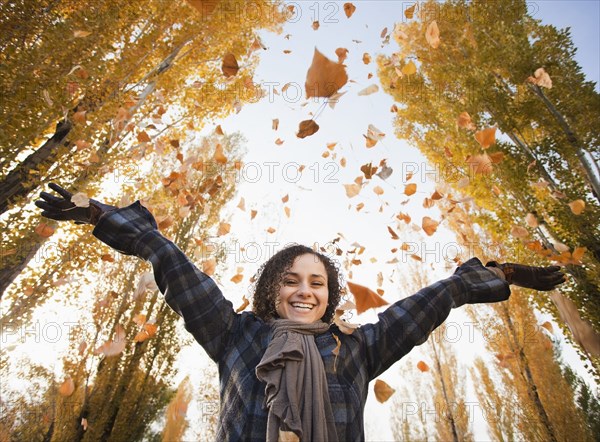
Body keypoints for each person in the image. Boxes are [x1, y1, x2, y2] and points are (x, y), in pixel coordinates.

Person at [35, 183, 565, 441]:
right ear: (272, 290)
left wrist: (503, 276)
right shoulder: (234, 333)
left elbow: (430, 301)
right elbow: (176, 268)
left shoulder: (357, 346)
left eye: (317, 282)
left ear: (330, 296)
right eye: (291, 281)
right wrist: (101, 214)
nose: (305, 291)